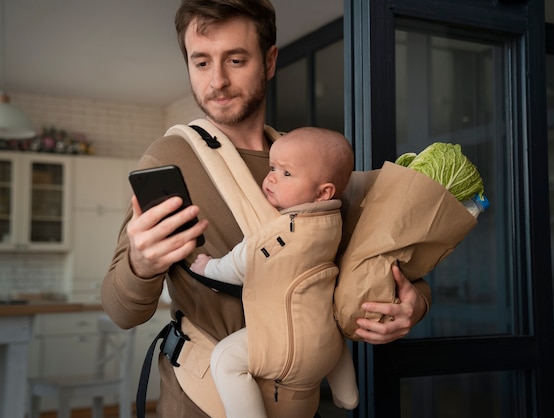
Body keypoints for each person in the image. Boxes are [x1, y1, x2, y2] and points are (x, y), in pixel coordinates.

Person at [101, 0, 431, 417]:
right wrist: (140, 263)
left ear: (270, 60)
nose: (217, 81)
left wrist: (416, 303)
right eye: (201, 63)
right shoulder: (172, 158)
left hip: (304, 400)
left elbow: (379, 261)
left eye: (235, 60)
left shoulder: (310, 162)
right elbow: (120, 310)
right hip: (203, 403)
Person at [190, 126, 358, 418]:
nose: (271, 178)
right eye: (272, 167)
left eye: (287, 174)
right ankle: (348, 395)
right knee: (330, 332)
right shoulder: (335, 222)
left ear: (323, 192)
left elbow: (241, 263)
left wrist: (208, 267)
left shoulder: (284, 231)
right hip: (328, 344)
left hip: (287, 346)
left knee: (225, 360)